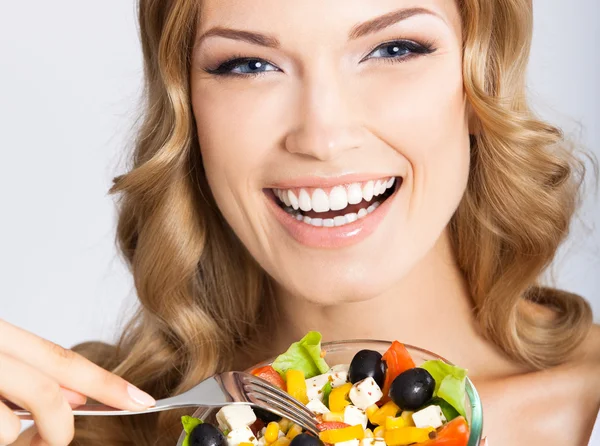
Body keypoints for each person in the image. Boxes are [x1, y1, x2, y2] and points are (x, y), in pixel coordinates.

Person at [2, 0, 599, 445]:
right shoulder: (73, 429)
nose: (322, 138)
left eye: (394, 49)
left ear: (482, 80)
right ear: (188, 110)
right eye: (247, 64)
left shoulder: (589, 408)